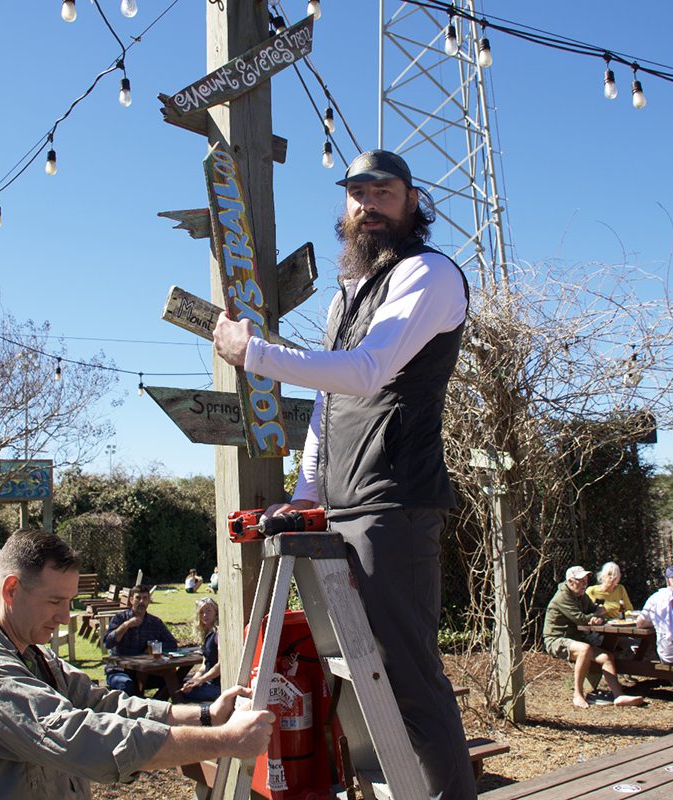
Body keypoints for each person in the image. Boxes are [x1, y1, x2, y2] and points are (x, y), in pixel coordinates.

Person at [212, 149, 475, 798]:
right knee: (361, 678)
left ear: (412, 204)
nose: (368, 205)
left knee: (411, 681)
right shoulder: (347, 299)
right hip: (343, 508)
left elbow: (367, 373)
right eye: (357, 194)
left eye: (384, 193)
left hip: (393, 506)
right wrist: (307, 492)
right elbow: (329, 406)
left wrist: (257, 354)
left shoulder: (429, 274)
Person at [0, 530, 273, 799]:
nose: (65, 618)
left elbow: (104, 704)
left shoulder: (29, 655)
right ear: (11, 590)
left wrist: (208, 715)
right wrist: (226, 740)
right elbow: (80, 738)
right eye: (55, 601)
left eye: (69, 602)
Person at [543, 566, 646, 710]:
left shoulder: (581, 595)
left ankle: (618, 695)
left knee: (607, 657)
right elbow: (581, 619)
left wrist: (596, 615)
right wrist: (595, 615)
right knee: (584, 649)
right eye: (581, 580)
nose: (584, 583)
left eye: (585, 580)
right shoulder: (563, 597)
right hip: (557, 640)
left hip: (577, 639)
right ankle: (578, 695)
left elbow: (596, 611)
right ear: (570, 581)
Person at [103, 584, 179, 695]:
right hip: (119, 670)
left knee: (172, 680)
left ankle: (155, 704)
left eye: (145, 598)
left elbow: (172, 644)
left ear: (149, 601)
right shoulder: (120, 618)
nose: (141, 601)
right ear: (131, 600)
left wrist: (153, 648)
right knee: (127, 685)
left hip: (146, 671)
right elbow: (108, 643)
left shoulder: (154, 622)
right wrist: (126, 625)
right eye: (138, 598)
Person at [180, 597, 221, 703]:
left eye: (208, 611)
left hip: (219, 685)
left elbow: (220, 665)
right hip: (208, 682)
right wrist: (194, 680)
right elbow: (204, 664)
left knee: (180, 694)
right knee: (181, 686)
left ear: (216, 612)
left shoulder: (218, 634)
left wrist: (201, 680)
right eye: (201, 612)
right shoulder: (207, 634)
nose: (205, 615)